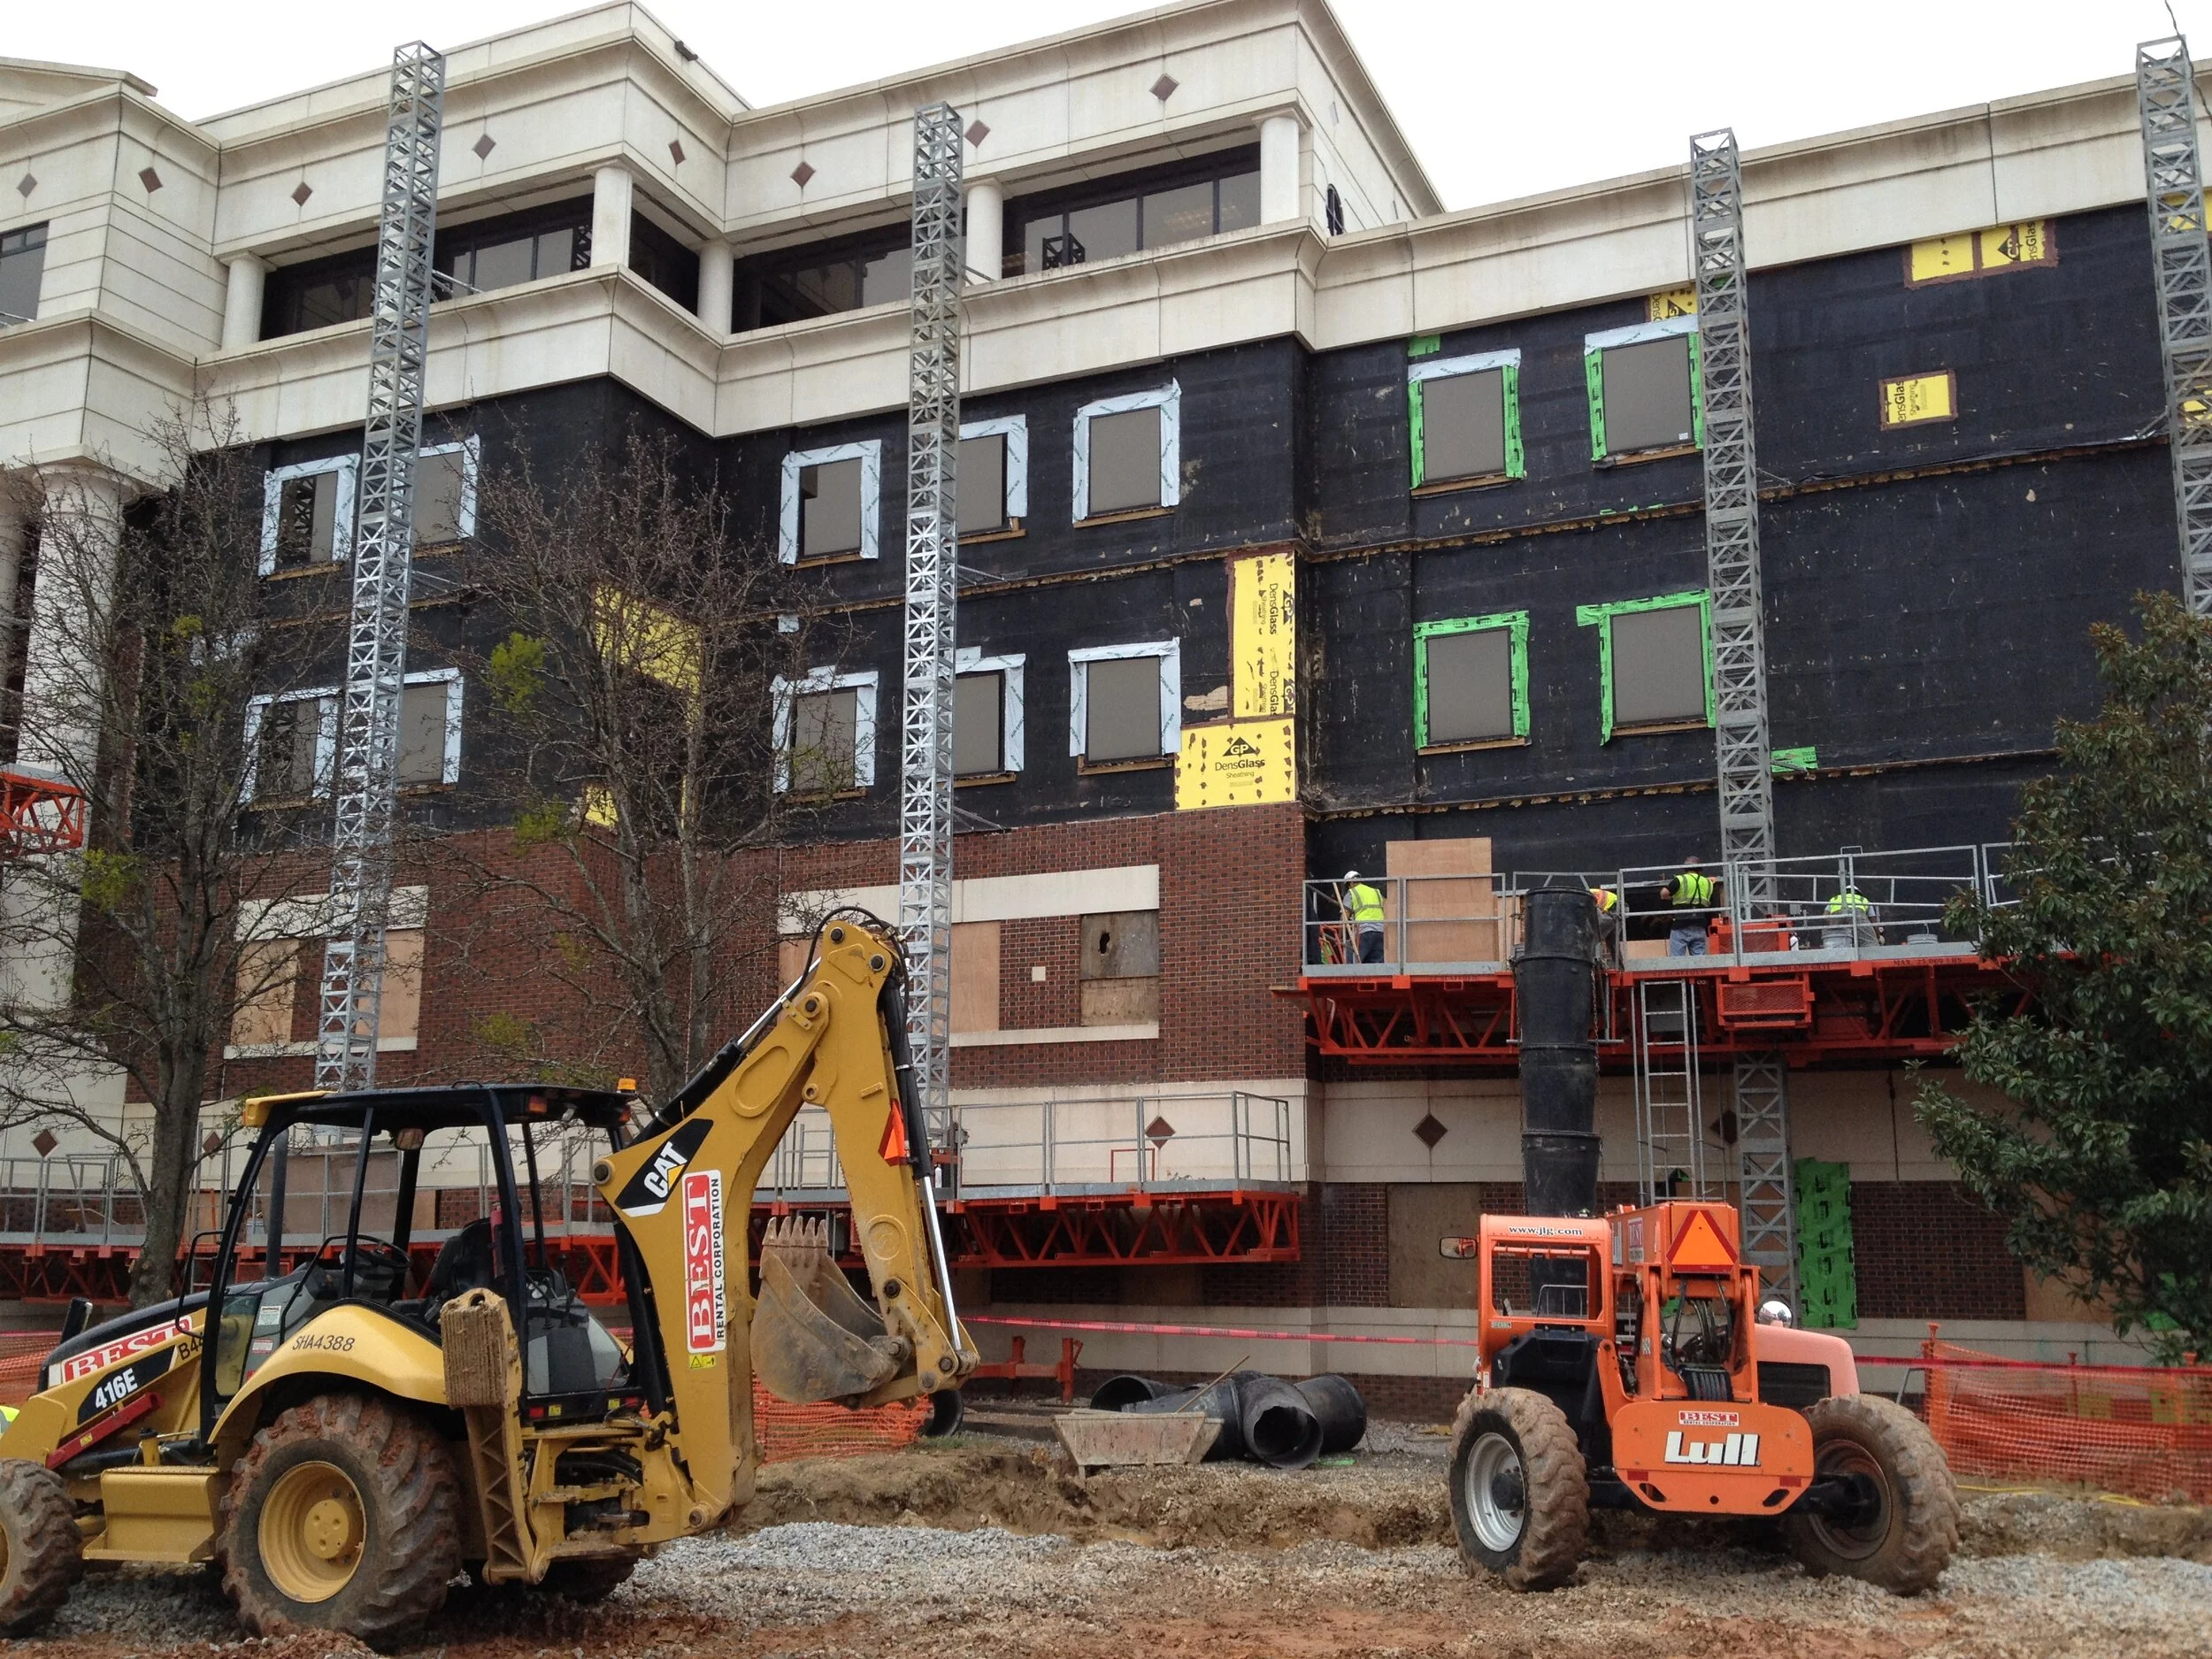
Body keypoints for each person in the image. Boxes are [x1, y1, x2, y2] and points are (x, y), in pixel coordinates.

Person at [1662, 856, 1716, 956]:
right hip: (1699, 925)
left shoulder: (1680, 879)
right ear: (1700, 869)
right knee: (1699, 961)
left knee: (1677, 962)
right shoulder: (1708, 883)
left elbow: (1664, 894)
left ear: (1685, 868)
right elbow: (1708, 902)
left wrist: (1674, 898)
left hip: (1680, 925)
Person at [1341, 869, 1386, 964]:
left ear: (1349, 884)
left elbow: (1344, 917)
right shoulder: (1376, 892)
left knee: (1352, 960)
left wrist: (1340, 936)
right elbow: (1387, 907)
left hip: (1364, 931)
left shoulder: (1351, 893)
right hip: (1381, 931)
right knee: (1376, 965)